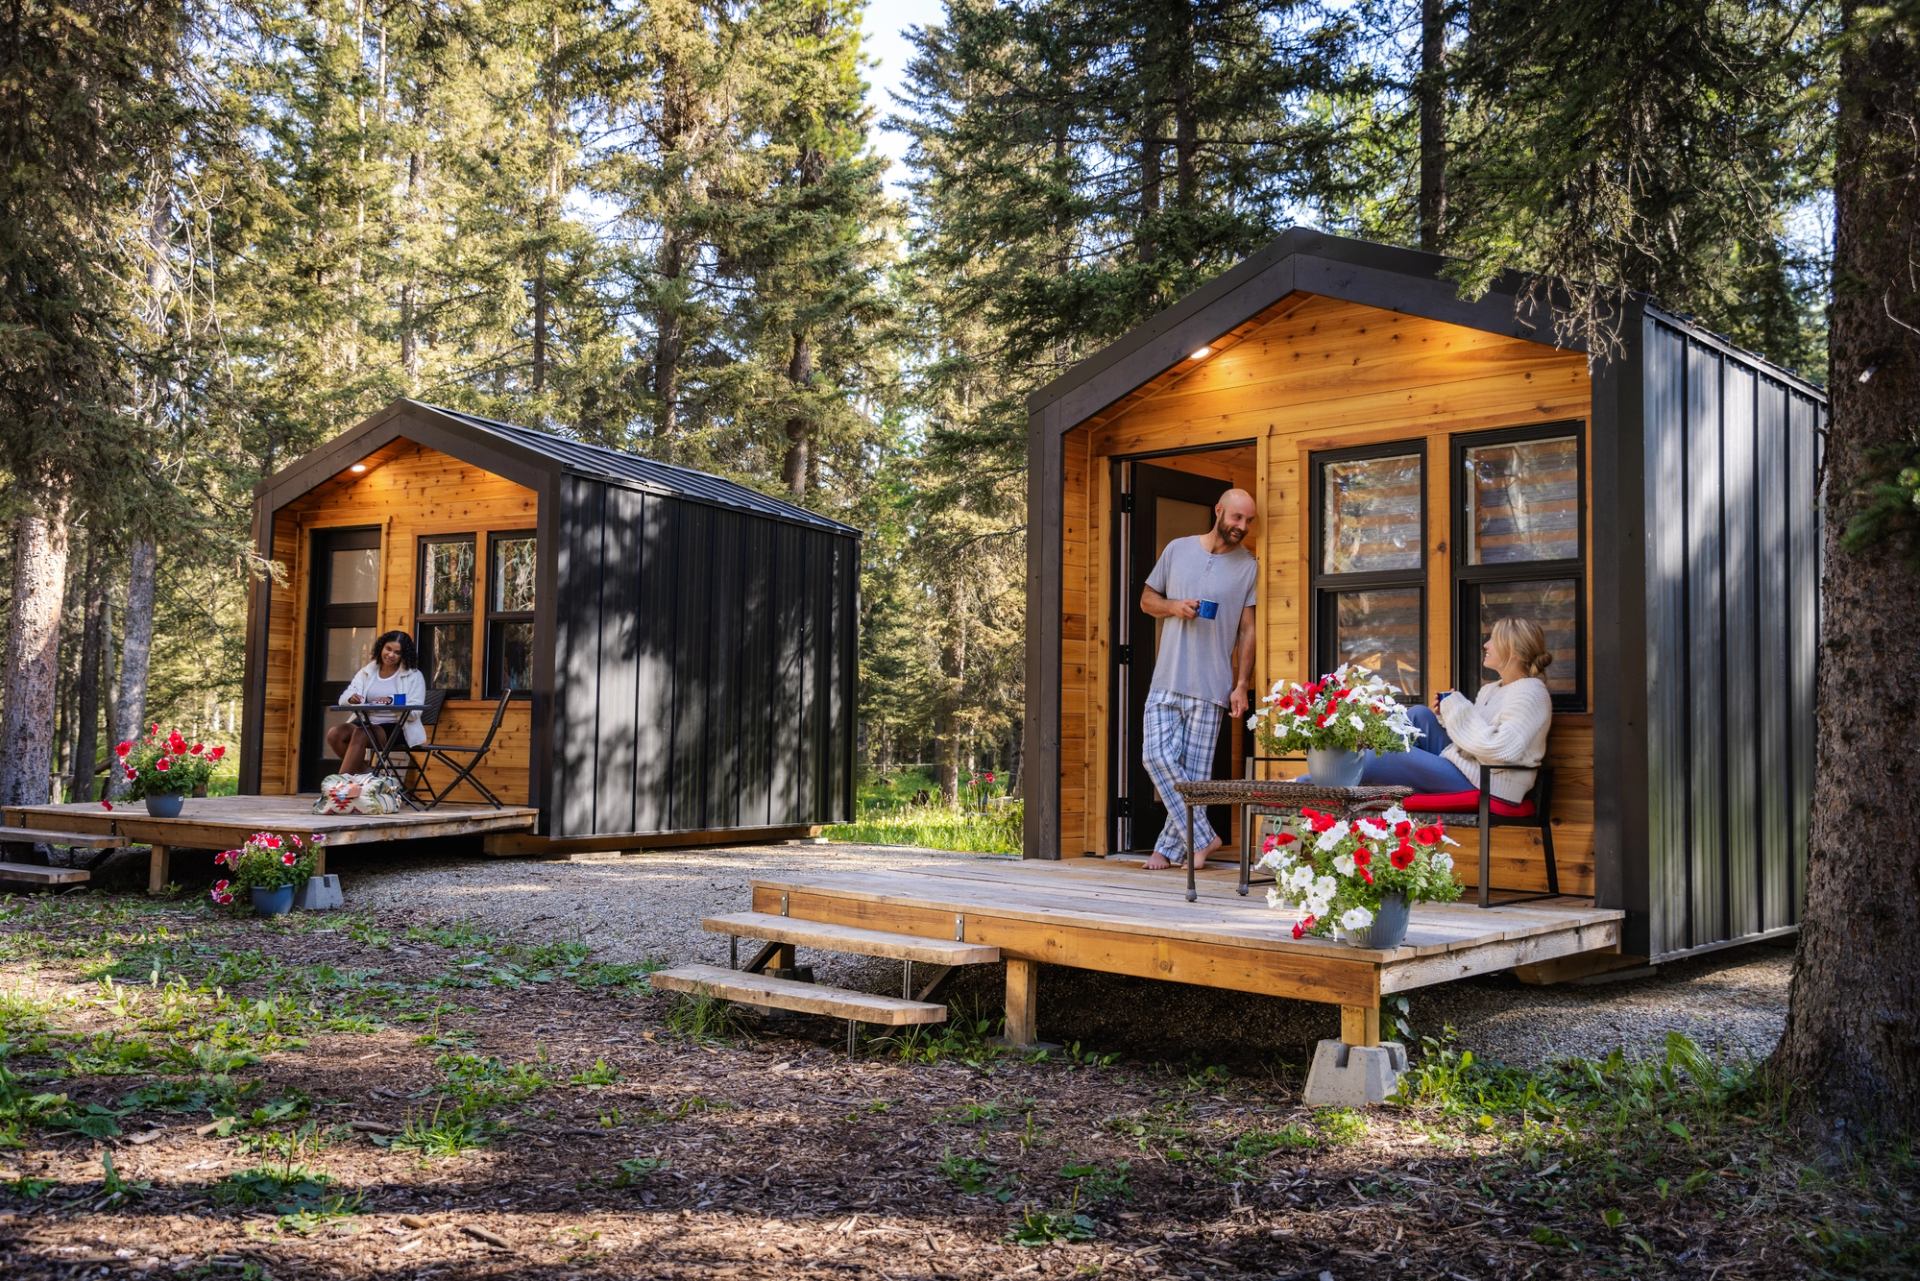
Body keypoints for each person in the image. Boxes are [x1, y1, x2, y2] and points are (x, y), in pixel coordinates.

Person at [1138, 488, 1259, 871]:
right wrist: (1174, 607)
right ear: (1219, 511)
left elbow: (1248, 630)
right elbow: (1146, 600)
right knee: (1154, 756)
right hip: (1167, 678)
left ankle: (1168, 848)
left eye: (1248, 521)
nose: (1241, 527)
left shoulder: (1247, 566)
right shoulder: (1177, 549)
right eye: (1237, 517)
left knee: (1195, 779)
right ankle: (1203, 836)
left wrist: (1241, 684)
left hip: (1211, 688)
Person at [1356, 617, 1554, 801]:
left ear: (1513, 651)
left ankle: (1348, 778)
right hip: (1470, 766)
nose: (1486, 645)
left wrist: (1458, 709)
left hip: (1490, 783)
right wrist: (1447, 716)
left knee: (1385, 756)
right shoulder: (1491, 689)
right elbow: (1473, 735)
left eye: (1493, 639)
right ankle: (1365, 772)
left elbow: (1501, 751)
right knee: (1419, 715)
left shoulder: (1531, 692)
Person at [326, 630, 429, 775]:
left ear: (403, 655)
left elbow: (415, 711)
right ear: (381, 647)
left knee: (361, 733)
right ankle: (367, 773)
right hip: (366, 722)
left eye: (397, 652)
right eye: (388, 649)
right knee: (335, 734)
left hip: (397, 727)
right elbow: (344, 697)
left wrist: (392, 701)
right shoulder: (367, 671)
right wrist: (351, 698)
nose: (391, 655)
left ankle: (340, 788)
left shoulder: (414, 676)